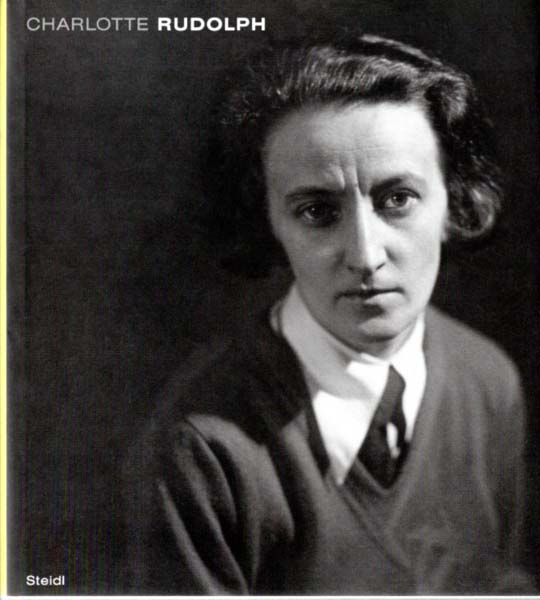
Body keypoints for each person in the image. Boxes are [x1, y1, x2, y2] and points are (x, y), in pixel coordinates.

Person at [123, 32, 535, 594]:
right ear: (269, 221)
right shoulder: (204, 450)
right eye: (317, 211)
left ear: (454, 201)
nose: (365, 256)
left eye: (398, 199)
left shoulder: (487, 379)